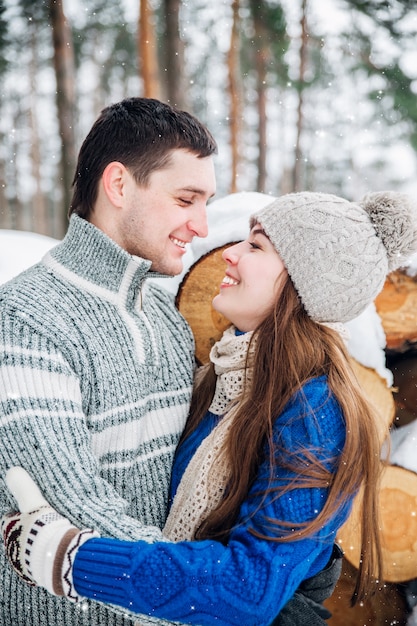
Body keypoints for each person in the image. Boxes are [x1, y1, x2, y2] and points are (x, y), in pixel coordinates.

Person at [4, 190, 417, 625]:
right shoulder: (225, 378)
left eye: (255, 246)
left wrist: (71, 558)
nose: (231, 254)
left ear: (303, 283)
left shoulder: (315, 411)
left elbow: (247, 588)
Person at [0, 96, 217, 626]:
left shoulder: (166, 323)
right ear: (118, 185)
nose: (203, 226)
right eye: (186, 199)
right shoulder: (25, 321)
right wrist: (207, 598)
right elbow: (71, 505)